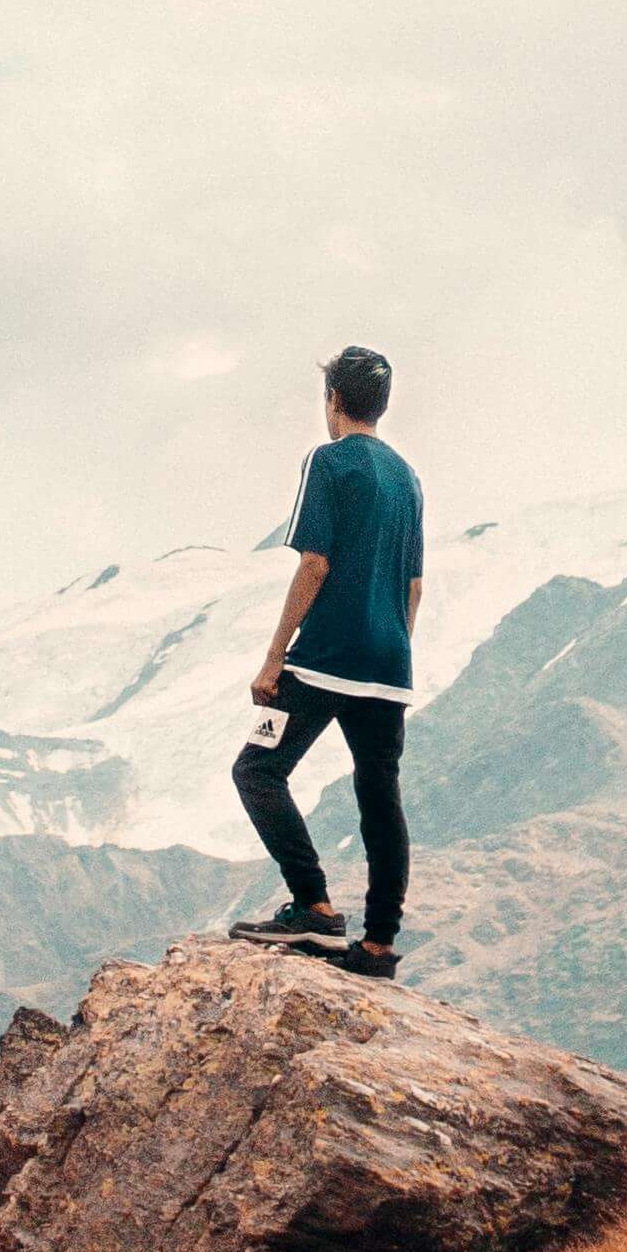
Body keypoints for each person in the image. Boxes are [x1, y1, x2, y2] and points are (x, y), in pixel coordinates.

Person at [229, 341, 423, 978]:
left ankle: (313, 907)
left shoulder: (330, 462)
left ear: (333, 400)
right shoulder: (407, 478)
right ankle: (379, 946)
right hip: (389, 666)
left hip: (320, 662)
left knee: (257, 771)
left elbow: (315, 562)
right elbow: (414, 586)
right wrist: (391, 653)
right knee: (380, 797)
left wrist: (273, 658)